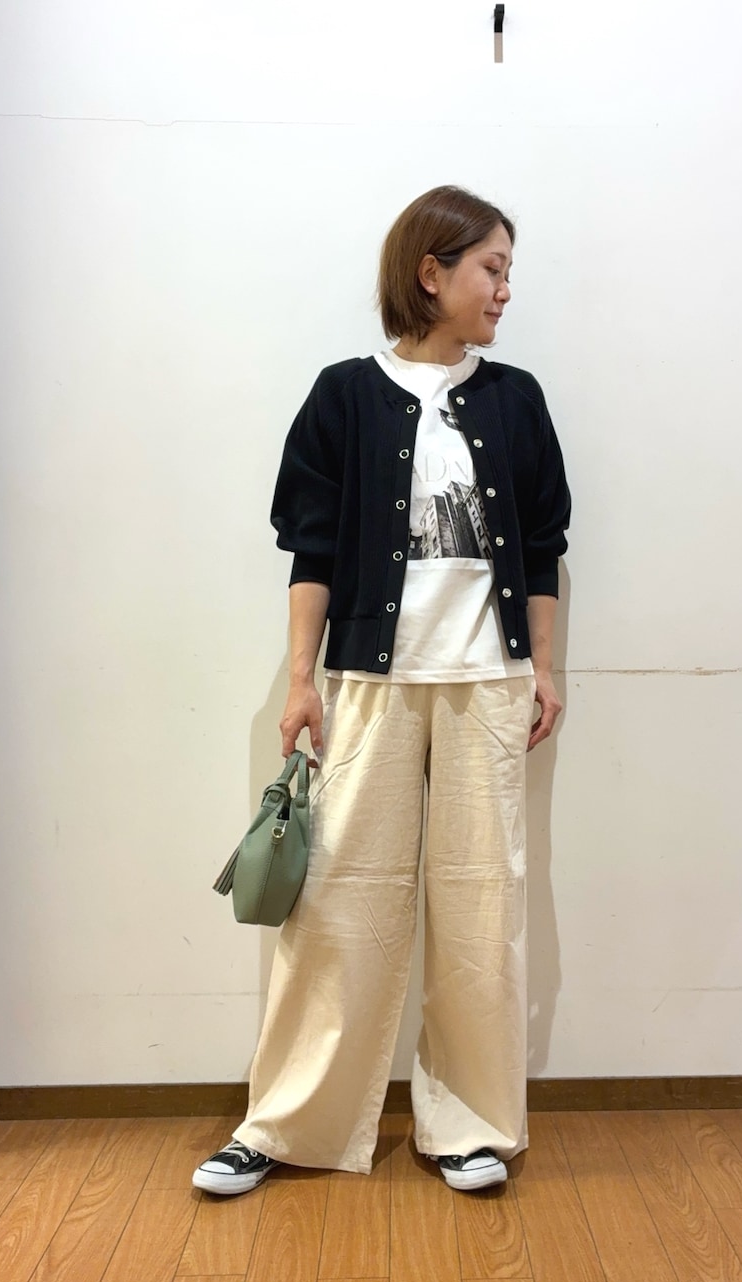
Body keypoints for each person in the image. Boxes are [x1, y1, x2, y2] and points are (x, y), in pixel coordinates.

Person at [193, 185, 570, 1195]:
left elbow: (543, 548)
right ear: (430, 272)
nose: (505, 289)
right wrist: (301, 680)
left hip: (488, 679)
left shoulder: (516, 400)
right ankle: (285, 1123)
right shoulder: (344, 396)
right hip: (367, 678)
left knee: (482, 904)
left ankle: (470, 1124)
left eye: (508, 271)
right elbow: (311, 550)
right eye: (491, 268)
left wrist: (544, 667)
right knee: (337, 903)